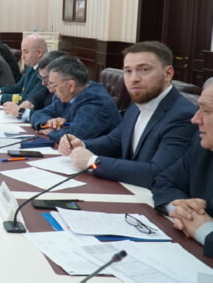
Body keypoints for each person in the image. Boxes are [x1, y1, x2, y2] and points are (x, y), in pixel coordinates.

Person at [58, 41, 197, 188]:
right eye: (128, 71)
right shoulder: (137, 105)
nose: (134, 78)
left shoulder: (183, 116)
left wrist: (93, 162)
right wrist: (82, 144)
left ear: (168, 73)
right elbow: (115, 141)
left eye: (144, 70)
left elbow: (158, 173)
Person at [152, 83, 213, 257]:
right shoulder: (202, 145)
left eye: (206, 111)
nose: (195, 119)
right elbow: (164, 181)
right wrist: (183, 210)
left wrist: (204, 229)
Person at [30, 55, 121, 142]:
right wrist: (48, 122)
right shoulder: (68, 96)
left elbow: (73, 136)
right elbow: (38, 114)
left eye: (53, 84)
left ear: (71, 85)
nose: (51, 90)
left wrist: (50, 133)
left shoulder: (96, 103)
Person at [0, 33, 47, 105]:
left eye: (26, 52)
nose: (22, 56)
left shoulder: (45, 72)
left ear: (39, 53)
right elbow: (17, 87)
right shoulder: (31, 66)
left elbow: (29, 99)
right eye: (22, 52)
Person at [3, 50, 66, 122]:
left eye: (46, 78)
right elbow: (36, 99)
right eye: (41, 78)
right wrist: (29, 103)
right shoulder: (48, 88)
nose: (43, 83)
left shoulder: (64, 95)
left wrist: (21, 112)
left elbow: (51, 117)